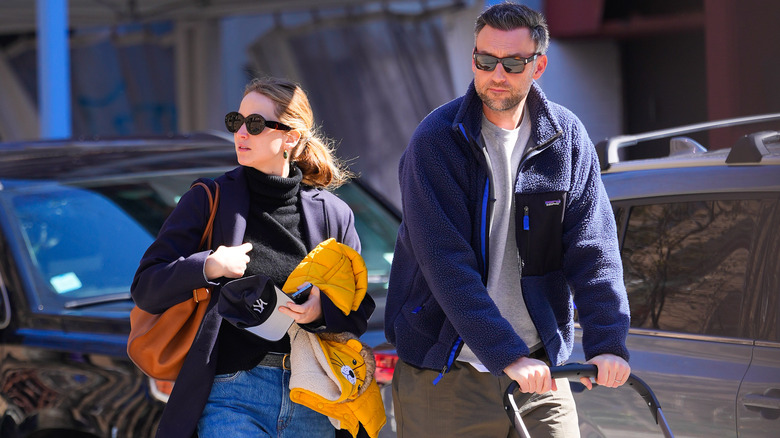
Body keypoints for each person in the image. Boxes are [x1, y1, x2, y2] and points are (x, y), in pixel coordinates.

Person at [384, 3, 631, 437]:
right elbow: (445, 264)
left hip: (541, 370)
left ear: (539, 66)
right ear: (473, 59)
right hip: (449, 372)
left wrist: (608, 342)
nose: (497, 74)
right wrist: (505, 354)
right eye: (485, 60)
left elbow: (595, 250)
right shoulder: (436, 141)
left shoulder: (566, 138)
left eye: (513, 63)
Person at [131, 77, 375, 438]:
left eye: (256, 124)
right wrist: (209, 265)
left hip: (312, 394)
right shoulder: (207, 199)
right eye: (236, 121)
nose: (241, 132)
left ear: (291, 137)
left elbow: (359, 307)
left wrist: (320, 310)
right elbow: (146, 287)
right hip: (231, 393)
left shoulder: (332, 214)